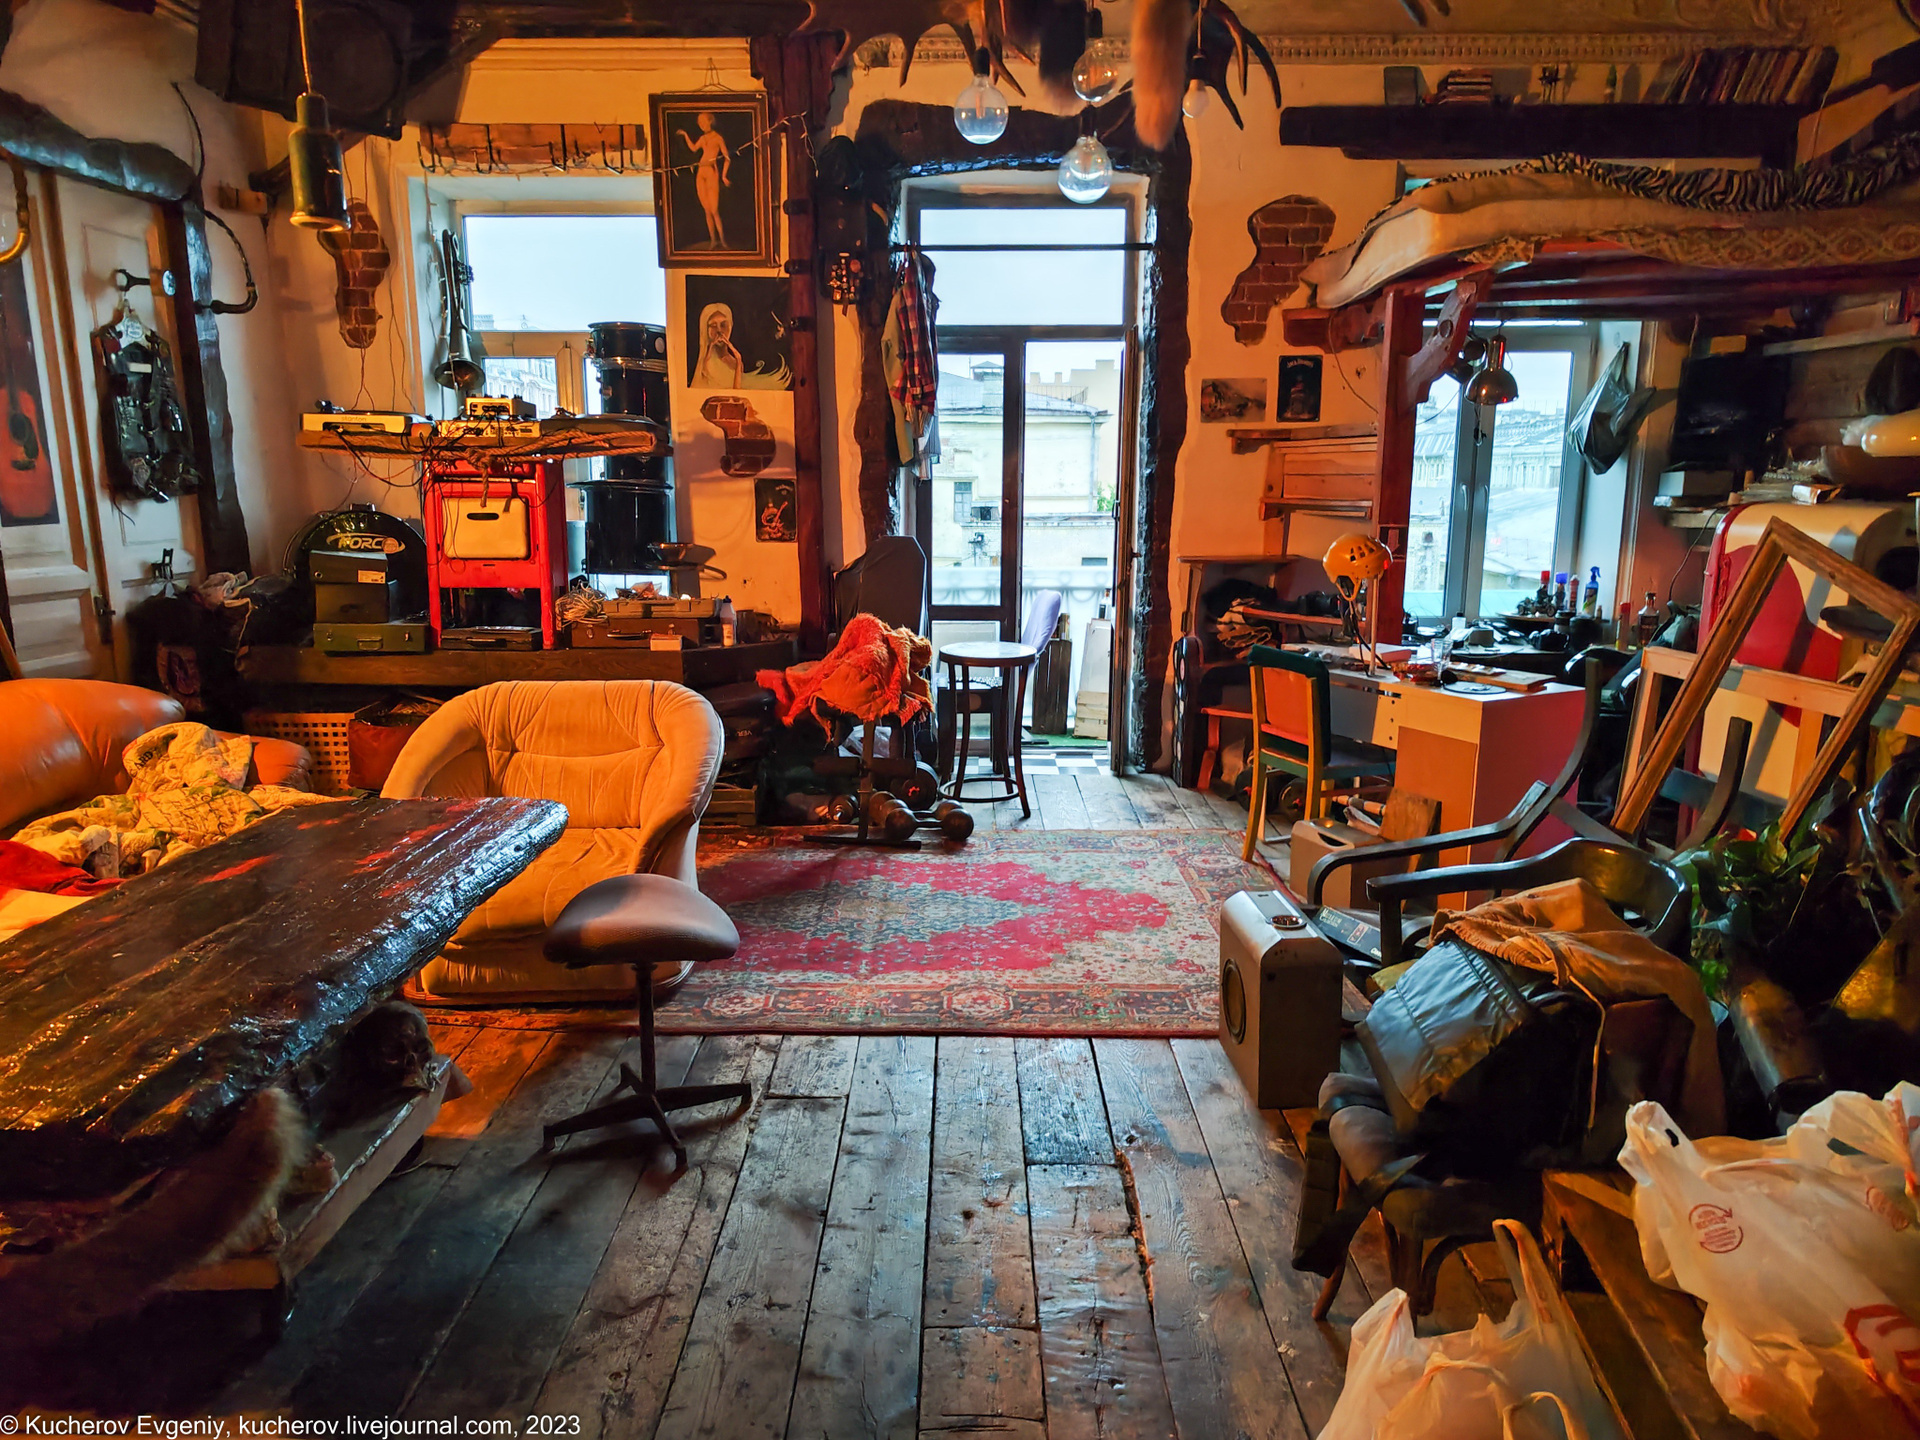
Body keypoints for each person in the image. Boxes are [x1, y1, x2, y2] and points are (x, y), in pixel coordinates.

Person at [677, 112, 732, 251]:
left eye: (703, 122)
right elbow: (694, 148)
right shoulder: (703, 138)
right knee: (707, 210)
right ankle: (713, 240)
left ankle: (722, 240)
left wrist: (724, 176)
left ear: (710, 121)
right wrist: (685, 135)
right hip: (701, 173)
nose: (701, 125)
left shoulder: (718, 138)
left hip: (712, 172)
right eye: (699, 123)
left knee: (714, 210)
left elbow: (727, 158)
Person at [693, 303, 744, 388]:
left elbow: (737, 390)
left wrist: (738, 359)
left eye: (723, 325)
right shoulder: (705, 363)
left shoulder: (735, 362)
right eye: (713, 326)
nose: (719, 331)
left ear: (730, 326)